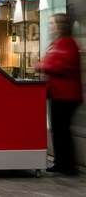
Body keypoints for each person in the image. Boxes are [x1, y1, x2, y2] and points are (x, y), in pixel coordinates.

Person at [36, 13, 83, 175]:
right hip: (57, 94)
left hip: (67, 96)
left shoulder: (67, 43)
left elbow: (58, 65)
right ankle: (61, 162)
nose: (50, 26)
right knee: (58, 129)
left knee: (61, 129)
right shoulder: (57, 43)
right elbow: (49, 61)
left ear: (61, 25)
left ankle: (67, 165)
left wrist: (42, 64)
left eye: (52, 23)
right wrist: (44, 63)